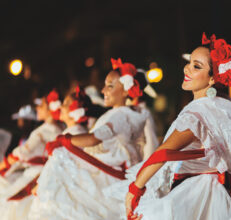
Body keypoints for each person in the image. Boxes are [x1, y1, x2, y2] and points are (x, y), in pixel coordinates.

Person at [121, 33, 231, 220]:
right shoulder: (222, 108)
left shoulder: (197, 113)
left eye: (196, 66)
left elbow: (164, 152)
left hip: (198, 194)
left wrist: (135, 189)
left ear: (211, 80)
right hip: (221, 191)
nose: (187, 69)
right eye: (190, 62)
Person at [28, 59, 148, 220]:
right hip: (113, 169)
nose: (104, 90)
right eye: (105, 85)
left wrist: (64, 141)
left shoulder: (120, 115)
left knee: (60, 161)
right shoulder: (122, 113)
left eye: (110, 86)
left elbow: (93, 139)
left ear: (126, 91)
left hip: (114, 175)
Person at [0, 87, 90, 220]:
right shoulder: (60, 129)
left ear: (50, 109)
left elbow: (23, 152)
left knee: (13, 203)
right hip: (45, 172)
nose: (37, 108)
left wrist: (5, 165)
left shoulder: (48, 130)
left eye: (41, 105)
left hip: (42, 173)